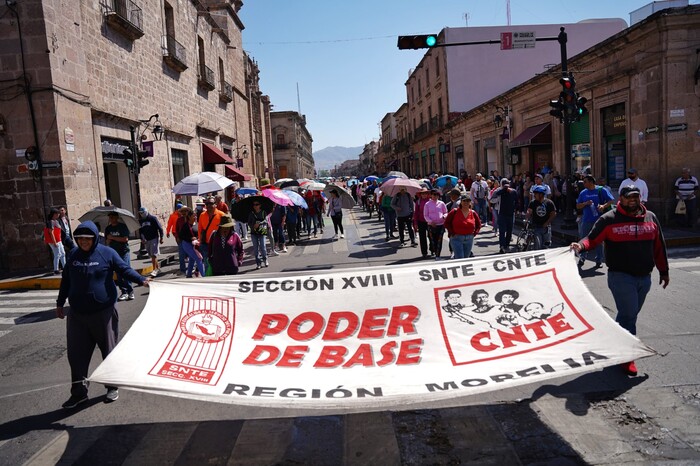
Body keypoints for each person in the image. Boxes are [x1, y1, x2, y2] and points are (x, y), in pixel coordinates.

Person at [570, 185, 669, 376]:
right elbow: (592, 239)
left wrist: (664, 272)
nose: (632, 200)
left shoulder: (651, 217)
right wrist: (580, 246)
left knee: (627, 316)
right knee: (629, 315)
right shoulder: (609, 219)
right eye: (628, 197)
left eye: (635, 196)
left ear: (640, 198)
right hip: (621, 276)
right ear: (620, 199)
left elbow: (659, 246)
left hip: (644, 278)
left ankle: (612, 339)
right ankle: (626, 358)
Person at [56, 221, 149, 408]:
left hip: (103, 313)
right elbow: (66, 281)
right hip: (78, 316)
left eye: (87, 239)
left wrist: (142, 279)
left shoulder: (107, 253)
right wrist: (60, 303)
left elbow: (124, 269)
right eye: (80, 238)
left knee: (109, 351)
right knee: (76, 357)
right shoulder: (73, 255)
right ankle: (79, 393)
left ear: (94, 239)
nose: (83, 242)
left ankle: (112, 386)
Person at [576, 175, 614, 267]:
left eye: (585, 181)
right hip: (586, 219)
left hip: (599, 219)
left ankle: (599, 260)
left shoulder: (601, 190)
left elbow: (611, 200)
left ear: (591, 182)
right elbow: (578, 206)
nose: (583, 183)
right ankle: (582, 257)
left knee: (599, 240)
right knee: (584, 239)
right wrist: (585, 203)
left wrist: (603, 206)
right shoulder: (583, 193)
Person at [104, 212, 134, 301]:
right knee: (118, 272)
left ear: (117, 218)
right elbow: (107, 242)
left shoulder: (122, 227)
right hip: (114, 253)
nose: (111, 218)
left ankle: (130, 291)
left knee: (125, 270)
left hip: (124, 252)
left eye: (113, 217)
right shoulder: (108, 229)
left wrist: (112, 237)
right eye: (110, 217)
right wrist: (108, 239)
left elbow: (125, 239)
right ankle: (123, 292)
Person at [444, 194, 481, 259]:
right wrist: (452, 233)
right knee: (460, 258)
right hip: (456, 238)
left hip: (469, 238)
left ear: (470, 202)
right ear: (461, 202)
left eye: (468, 201)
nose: (466, 203)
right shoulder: (454, 211)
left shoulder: (473, 212)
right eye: (464, 201)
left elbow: (478, 225)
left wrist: (474, 234)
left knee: (466, 259)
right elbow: (447, 223)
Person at [492, 179, 518, 253]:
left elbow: (516, 201)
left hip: (510, 214)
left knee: (509, 231)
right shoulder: (498, 191)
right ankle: (502, 246)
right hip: (502, 214)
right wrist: (502, 191)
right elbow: (492, 199)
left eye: (507, 185)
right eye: (504, 185)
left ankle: (507, 244)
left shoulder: (513, 191)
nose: (506, 187)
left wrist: (516, 209)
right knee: (502, 231)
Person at [178, 207, 205, 278]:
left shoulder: (197, 224)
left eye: (196, 216)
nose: (195, 217)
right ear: (189, 217)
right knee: (199, 258)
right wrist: (190, 238)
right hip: (187, 244)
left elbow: (199, 232)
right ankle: (204, 276)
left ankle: (189, 274)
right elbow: (181, 236)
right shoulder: (185, 226)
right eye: (194, 216)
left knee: (192, 259)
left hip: (195, 244)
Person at [527, 185, 557, 250]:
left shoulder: (549, 203)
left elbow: (553, 214)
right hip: (536, 227)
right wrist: (527, 219)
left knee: (546, 246)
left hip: (546, 228)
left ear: (541, 195)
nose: (534, 195)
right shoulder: (532, 203)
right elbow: (529, 211)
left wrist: (546, 223)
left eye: (536, 194)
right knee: (537, 247)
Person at [198, 196, 223, 269]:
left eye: (211, 203)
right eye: (207, 204)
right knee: (207, 264)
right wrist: (200, 240)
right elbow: (200, 229)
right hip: (206, 244)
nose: (209, 205)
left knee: (218, 262)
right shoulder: (202, 215)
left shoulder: (221, 215)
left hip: (218, 243)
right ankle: (209, 278)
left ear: (215, 204)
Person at [138, 207, 164, 277]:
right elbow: (140, 231)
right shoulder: (140, 221)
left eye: (142, 213)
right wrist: (142, 239)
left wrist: (161, 237)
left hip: (154, 238)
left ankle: (154, 270)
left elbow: (160, 228)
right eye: (140, 213)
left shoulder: (152, 219)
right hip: (147, 239)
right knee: (151, 255)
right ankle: (158, 268)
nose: (141, 214)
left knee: (153, 254)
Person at [424, 189, 447, 259]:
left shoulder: (442, 203)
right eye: (434, 194)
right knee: (432, 240)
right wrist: (431, 222)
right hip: (431, 225)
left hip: (440, 224)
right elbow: (425, 215)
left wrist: (444, 216)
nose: (435, 196)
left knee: (439, 241)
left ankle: (438, 255)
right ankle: (433, 250)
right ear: (431, 195)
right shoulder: (427, 204)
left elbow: (446, 212)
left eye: (437, 195)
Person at [248, 199, 269, 269]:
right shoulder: (251, 214)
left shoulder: (263, 212)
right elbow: (249, 223)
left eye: (257, 204)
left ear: (260, 205)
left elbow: (266, 220)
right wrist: (253, 225)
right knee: (256, 249)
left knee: (263, 247)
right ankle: (258, 263)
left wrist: (259, 223)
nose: (255, 206)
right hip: (254, 233)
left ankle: (265, 259)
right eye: (254, 205)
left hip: (262, 231)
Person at [44, 208, 65, 274]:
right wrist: (54, 242)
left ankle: (64, 267)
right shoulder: (51, 222)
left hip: (58, 240)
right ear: (54, 214)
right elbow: (51, 232)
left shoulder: (56, 221)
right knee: (57, 254)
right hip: (54, 241)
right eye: (57, 213)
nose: (59, 215)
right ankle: (56, 269)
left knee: (63, 253)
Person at [166, 203, 186, 274]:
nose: (181, 212)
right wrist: (167, 232)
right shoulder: (173, 216)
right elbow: (169, 224)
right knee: (181, 249)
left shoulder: (185, 216)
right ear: (177, 210)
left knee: (183, 250)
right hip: (176, 233)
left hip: (185, 235)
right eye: (180, 210)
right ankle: (182, 268)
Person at [413, 188, 431, 257]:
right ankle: (424, 252)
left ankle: (432, 249)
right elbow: (416, 213)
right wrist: (415, 223)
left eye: (425, 193)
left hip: (429, 221)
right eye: (422, 193)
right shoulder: (418, 202)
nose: (424, 195)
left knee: (431, 236)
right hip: (421, 221)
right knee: (422, 237)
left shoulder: (430, 201)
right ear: (420, 194)